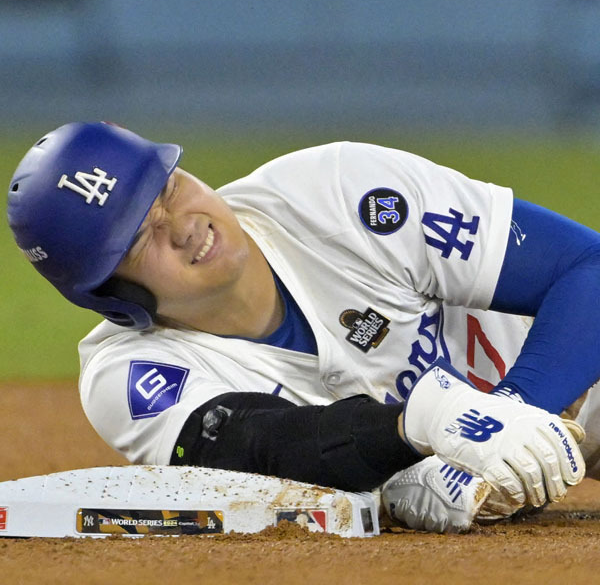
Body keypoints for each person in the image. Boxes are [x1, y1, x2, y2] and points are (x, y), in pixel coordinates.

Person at [7, 122, 594, 532]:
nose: (182, 224)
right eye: (139, 238)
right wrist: (417, 430)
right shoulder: (128, 378)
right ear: (114, 297)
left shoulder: (338, 191)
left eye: (167, 188)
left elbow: (585, 266)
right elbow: (260, 448)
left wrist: (513, 410)